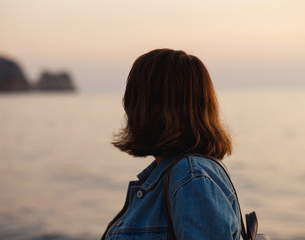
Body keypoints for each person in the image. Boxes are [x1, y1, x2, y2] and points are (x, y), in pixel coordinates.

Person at [101, 49, 240, 240]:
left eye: (134, 96)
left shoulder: (190, 177)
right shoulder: (172, 174)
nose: (127, 107)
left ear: (151, 106)